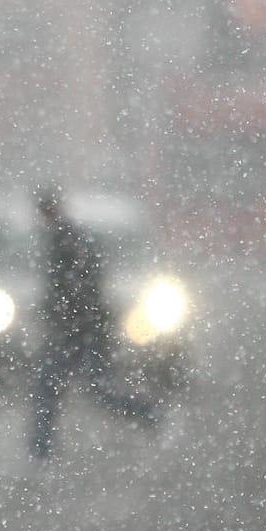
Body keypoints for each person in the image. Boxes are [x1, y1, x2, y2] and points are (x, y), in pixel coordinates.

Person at [29, 187, 158, 460]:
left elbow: (82, 287)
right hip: (79, 331)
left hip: (80, 331)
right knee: (63, 388)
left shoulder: (68, 241)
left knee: (81, 389)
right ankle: (41, 449)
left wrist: (69, 314)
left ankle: (148, 412)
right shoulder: (63, 239)